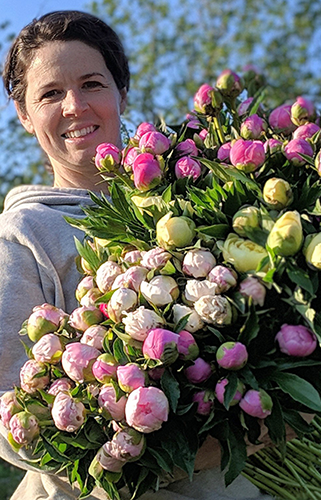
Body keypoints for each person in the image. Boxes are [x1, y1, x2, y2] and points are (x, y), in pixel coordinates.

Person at [0, 11, 272, 500]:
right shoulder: (25, 231)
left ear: (121, 93)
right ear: (23, 114)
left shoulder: (195, 201)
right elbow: (6, 410)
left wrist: (291, 404)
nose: (75, 106)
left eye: (91, 83)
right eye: (49, 94)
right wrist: (155, 456)